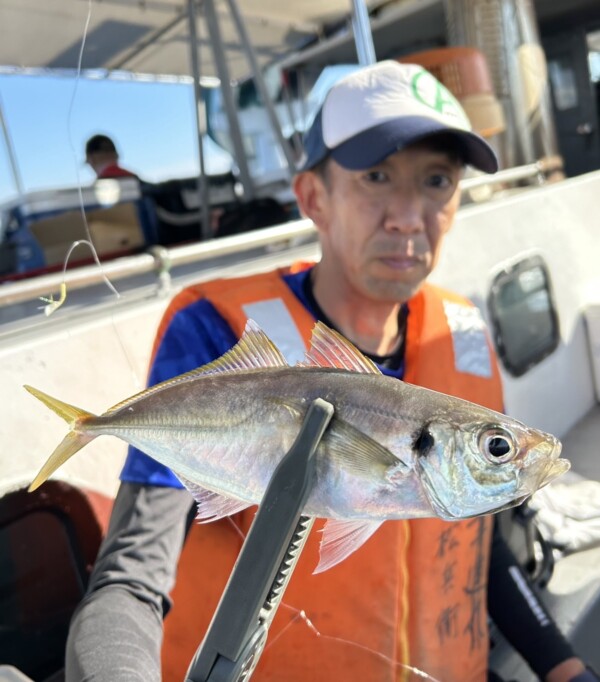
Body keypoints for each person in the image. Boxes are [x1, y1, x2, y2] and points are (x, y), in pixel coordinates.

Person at [65, 62, 598, 682]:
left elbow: (475, 541)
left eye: (437, 179)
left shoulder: (463, 330)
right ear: (313, 197)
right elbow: (131, 574)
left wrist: (561, 665)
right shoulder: (213, 329)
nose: (408, 216)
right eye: (377, 176)